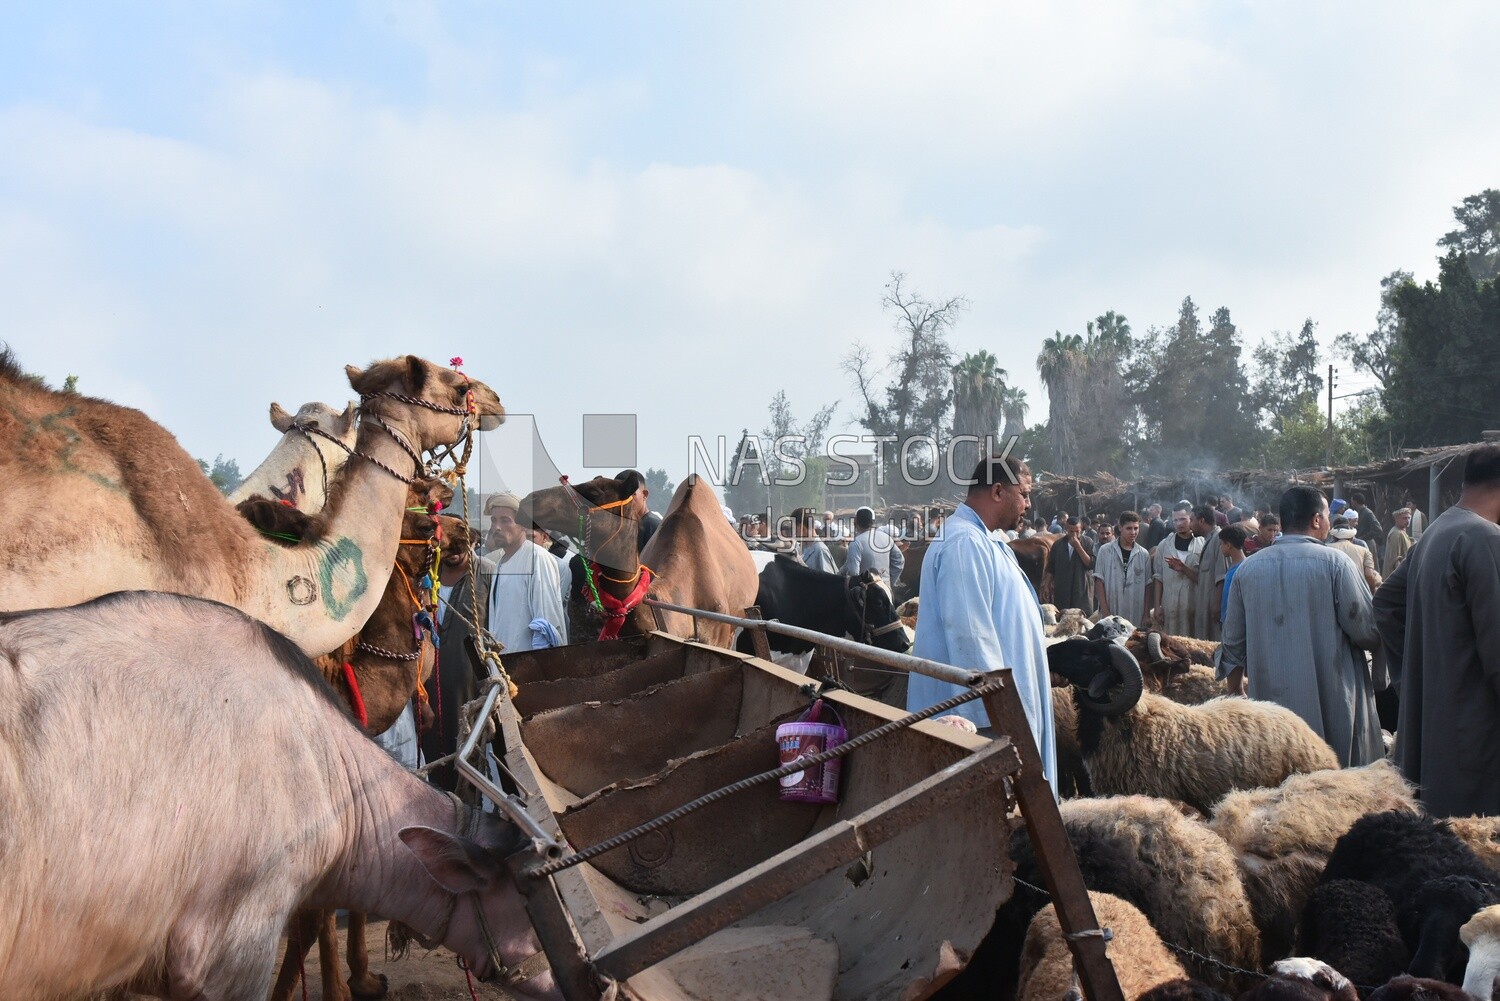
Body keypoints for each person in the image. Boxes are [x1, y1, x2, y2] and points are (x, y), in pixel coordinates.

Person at [905, 454, 1057, 794]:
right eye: (1026, 494)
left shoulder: (988, 540)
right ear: (999, 491)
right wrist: (998, 725)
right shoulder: (965, 544)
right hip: (988, 727)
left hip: (1004, 715)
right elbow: (970, 639)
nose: (1029, 504)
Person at [1374, 444, 1500, 817]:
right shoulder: (1485, 539)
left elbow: (1385, 605)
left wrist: (1412, 682)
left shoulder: (1435, 531)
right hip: (1475, 739)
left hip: (1431, 731)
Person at [1221, 486, 1382, 767]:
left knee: (1282, 790)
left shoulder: (1246, 570)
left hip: (1272, 715)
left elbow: (1232, 645)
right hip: (1335, 706)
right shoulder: (1337, 564)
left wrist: (1236, 691)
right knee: (1342, 784)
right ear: (1317, 520)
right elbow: (1367, 632)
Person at [421, 525, 496, 792]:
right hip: (431, 678)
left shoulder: (486, 572)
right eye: (447, 547)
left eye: (458, 547)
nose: (453, 553)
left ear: (472, 543)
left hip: (468, 678)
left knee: (468, 741)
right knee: (431, 745)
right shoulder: (429, 575)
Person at [485, 493, 568, 653]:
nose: (497, 527)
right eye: (494, 520)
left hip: (529, 666)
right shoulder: (500, 563)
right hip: (504, 663)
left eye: (505, 520)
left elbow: (546, 625)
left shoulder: (536, 558)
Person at [1150, 507, 1204, 635]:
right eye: (1175, 520)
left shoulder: (1202, 543)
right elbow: (1158, 577)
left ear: (1191, 519)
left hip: (1194, 605)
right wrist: (1157, 606)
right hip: (1170, 607)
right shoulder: (1164, 545)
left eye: (1183, 519)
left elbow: (1204, 578)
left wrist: (1185, 569)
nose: (1179, 524)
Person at [1093, 511, 1151, 625]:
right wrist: (1106, 612)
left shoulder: (1143, 554)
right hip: (1111, 612)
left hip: (1135, 613)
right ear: (1120, 527)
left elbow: (1147, 586)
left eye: (1136, 528)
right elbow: (1099, 581)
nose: (1133, 532)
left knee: (1133, 642)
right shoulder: (1105, 551)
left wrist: (1146, 614)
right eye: (1129, 528)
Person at [1190, 505, 1227, 641]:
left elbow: (1222, 577)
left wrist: (1216, 606)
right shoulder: (1208, 540)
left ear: (1201, 521)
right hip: (1205, 607)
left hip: (1212, 609)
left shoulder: (1219, 540)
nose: (1190, 524)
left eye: (1191, 519)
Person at [845, 506, 905, 585]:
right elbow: (900, 561)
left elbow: (853, 572)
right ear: (873, 522)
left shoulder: (856, 542)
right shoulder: (887, 538)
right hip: (886, 588)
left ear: (856, 522)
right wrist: (889, 581)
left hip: (866, 591)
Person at [1048, 517, 1095, 614]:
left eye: (1077, 531)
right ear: (1066, 530)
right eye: (1071, 531)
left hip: (1082, 588)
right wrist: (1046, 584)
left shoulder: (1087, 542)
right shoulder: (1058, 544)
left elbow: (1090, 564)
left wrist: (1078, 547)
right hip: (1063, 589)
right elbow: (1051, 567)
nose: (1074, 534)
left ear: (1081, 529)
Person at [1328, 514, 1381, 592]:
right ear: (1352, 537)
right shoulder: (1363, 550)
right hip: (1357, 594)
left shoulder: (1325, 549)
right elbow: (1369, 575)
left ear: (1334, 537)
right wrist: (1371, 592)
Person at [616, 469, 663, 554]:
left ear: (644, 495)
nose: (627, 500)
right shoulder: (621, 527)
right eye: (621, 495)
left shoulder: (651, 525)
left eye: (632, 494)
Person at [1216, 525, 1248, 626]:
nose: (1220, 547)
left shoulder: (1240, 570)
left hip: (1233, 624)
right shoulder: (1237, 566)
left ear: (1228, 545)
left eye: (1221, 544)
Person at [791, 507, 837, 573]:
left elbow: (829, 580)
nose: (794, 531)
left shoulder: (820, 550)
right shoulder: (800, 548)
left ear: (801, 527)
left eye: (795, 527)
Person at [1349, 492, 1383, 569]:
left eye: (1352, 501)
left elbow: (1378, 529)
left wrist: (1363, 537)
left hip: (1367, 544)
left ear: (1355, 501)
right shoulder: (1359, 512)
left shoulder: (1368, 513)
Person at [1384, 508, 1414, 577]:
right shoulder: (1396, 533)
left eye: (1409, 518)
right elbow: (1395, 560)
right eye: (1404, 518)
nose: (1407, 520)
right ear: (1397, 519)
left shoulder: (1402, 531)